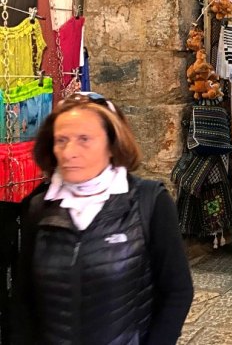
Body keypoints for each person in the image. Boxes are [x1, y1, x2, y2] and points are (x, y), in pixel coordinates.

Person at [12, 92, 193, 344]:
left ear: (111, 144)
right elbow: (24, 301)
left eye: (84, 139)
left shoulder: (149, 202)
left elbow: (177, 291)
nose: (69, 152)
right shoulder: (39, 209)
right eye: (61, 140)